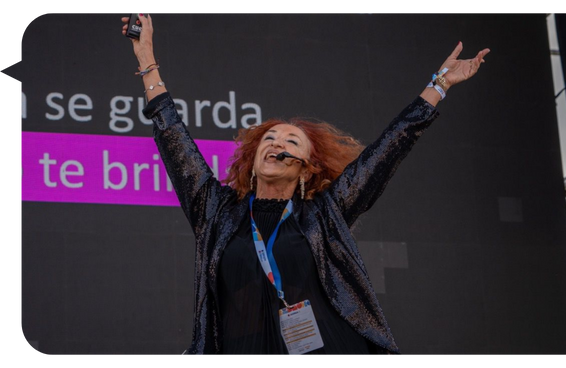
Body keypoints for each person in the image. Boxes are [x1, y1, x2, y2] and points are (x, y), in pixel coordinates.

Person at [121, 13, 490, 358]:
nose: (277, 144)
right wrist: (146, 56)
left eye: (291, 142)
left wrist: (439, 84)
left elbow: (389, 149)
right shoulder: (216, 210)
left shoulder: (325, 212)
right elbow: (173, 137)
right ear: (253, 161)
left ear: (305, 169)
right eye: (270, 138)